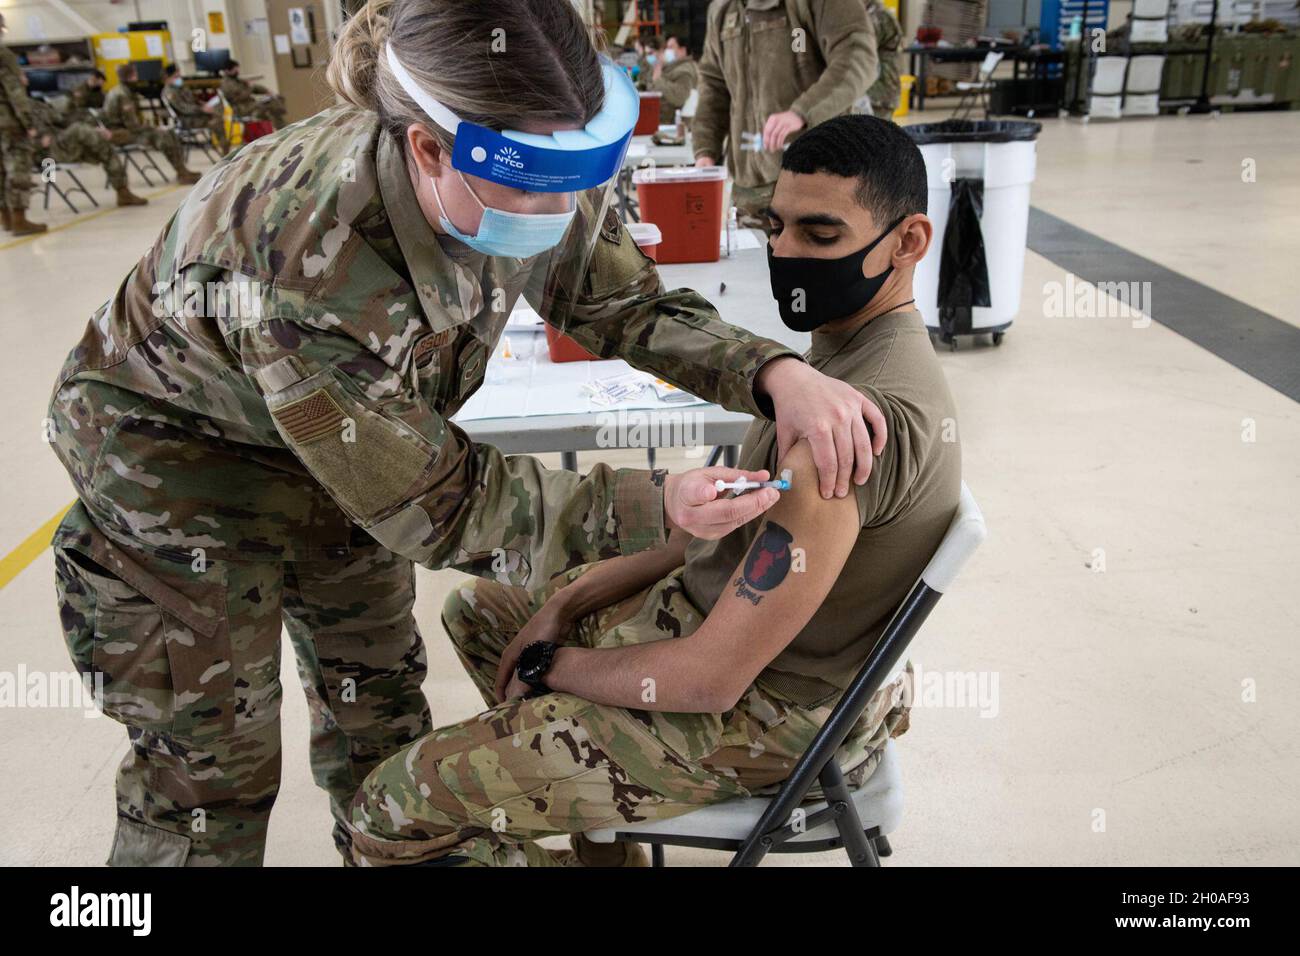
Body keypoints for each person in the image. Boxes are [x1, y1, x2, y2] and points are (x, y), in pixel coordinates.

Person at [48, 0, 888, 867]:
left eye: (574, 177)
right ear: (427, 149)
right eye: (534, 185)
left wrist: (771, 372)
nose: (560, 209)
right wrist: (661, 506)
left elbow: (622, 302)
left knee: (375, 704)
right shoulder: (299, 261)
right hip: (178, 467)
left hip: (359, 433)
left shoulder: (541, 150)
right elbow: (442, 503)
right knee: (212, 764)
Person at [349, 114, 961, 867]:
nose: (786, 253)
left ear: (907, 243)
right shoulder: (827, 375)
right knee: (481, 609)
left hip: (757, 711)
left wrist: (554, 670)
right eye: (777, 227)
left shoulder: (848, 434)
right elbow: (692, 542)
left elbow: (710, 678)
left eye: (821, 235)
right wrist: (561, 608)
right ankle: (610, 849)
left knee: (391, 809)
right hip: (705, 619)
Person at [693, 0, 878, 230]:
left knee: (813, 262)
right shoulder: (722, 9)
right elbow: (714, 85)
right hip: (749, 188)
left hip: (816, 180)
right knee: (753, 264)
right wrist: (705, 151)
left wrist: (802, 111)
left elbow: (858, 58)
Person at [30, 98, 148, 208]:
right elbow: (15, 146)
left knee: (107, 150)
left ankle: (123, 193)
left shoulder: (36, 105)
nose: (24, 80)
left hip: (66, 145)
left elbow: (61, 120)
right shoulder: (17, 111)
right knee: (78, 129)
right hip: (48, 154)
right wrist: (37, 144)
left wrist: (92, 130)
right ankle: (117, 137)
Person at [101, 63, 201, 185]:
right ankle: (182, 173)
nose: (137, 77)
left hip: (125, 129)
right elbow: (133, 126)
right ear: (131, 76)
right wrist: (154, 128)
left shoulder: (123, 91)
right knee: (163, 136)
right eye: (135, 74)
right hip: (121, 133)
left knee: (168, 132)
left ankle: (182, 170)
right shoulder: (122, 95)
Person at [0, 13, 46, 235]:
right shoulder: (3, 55)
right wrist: (28, 123)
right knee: (18, 167)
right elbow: (15, 92)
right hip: (8, 122)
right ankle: (19, 219)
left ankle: (6, 219)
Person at [161, 63, 230, 156]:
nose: (178, 78)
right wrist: (202, 109)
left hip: (196, 115)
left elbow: (193, 100)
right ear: (168, 78)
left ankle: (225, 149)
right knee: (216, 121)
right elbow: (184, 108)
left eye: (179, 75)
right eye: (176, 76)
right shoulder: (170, 92)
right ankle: (225, 151)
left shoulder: (181, 87)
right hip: (186, 120)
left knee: (217, 112)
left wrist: (203, 104)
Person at [858, 0, 903, 118]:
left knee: (875, 133)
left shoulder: (879, 15)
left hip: (880, 93)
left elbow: (860, 48)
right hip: (873, 91)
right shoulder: (868, 14)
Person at [645, 34, 698, 124]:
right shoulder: (671, 67)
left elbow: (679, 97)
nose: (667, 51)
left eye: (671, 47)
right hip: (658, 115)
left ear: (683, 50)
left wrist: (658, 80)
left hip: (669, 121)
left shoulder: (685, 70)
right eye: (667, 48)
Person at [219, 60, 287, 128]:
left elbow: (254, 87)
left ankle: (282, 124)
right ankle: (282, 127)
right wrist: (250, 87)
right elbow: (240, 96)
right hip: (242, 109)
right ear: (227, 71)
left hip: (251, 105)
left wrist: (267, 91)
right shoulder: (226, 84)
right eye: (235, 70)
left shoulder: (235, 80)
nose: (237, 72)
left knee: (276, 98)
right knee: (269, 106)